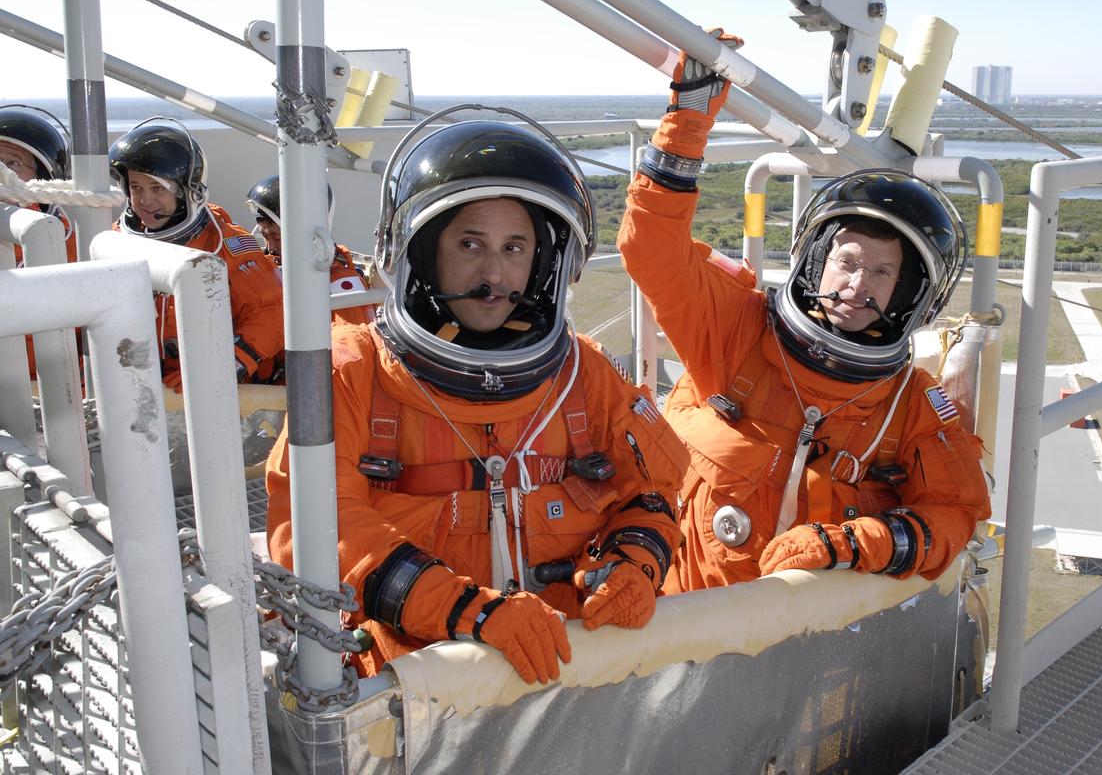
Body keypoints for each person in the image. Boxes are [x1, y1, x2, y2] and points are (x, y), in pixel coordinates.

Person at [265, 118, 687, 683]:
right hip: (410, 686)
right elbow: (314, 527)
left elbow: (653, 492)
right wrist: (471, 612)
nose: (493, 274)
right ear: (421, 250)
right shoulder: (354, 372)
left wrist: (634, 562)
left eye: (515, 248)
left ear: (543, 262)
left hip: (568, 667)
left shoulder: (583, 373)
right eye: (470, 244)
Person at [618, 33, 991, 593]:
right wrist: (688, 119)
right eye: (846, 261)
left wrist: (850, 544)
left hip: (811, 647)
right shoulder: (736, 332)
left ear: (908, 295)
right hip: (684, 616)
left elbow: (954, 514)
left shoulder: (908, 405)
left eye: (882, 273)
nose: (858, 285)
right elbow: (650, 249)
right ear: (816, 262)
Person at [109, 120, 284, 390]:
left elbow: (271, 312)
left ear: (186, 190)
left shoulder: (224, 244)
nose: (145, 200)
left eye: (157, 188)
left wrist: (224, 366)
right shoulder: (116, 240)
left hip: (216, 384)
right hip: (141, 381)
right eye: (136, 188)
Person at [1, 106, 79, 380]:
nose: (2, 173)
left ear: (43, 177)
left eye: (12, 164)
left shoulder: (63, 239)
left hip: (41, 383)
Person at [245, 174, 377, 328]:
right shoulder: (262, 268)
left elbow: (350, 342)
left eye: (277, 238)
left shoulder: (341, 287)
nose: (270, 247)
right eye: (265, 237)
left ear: (311, 235)